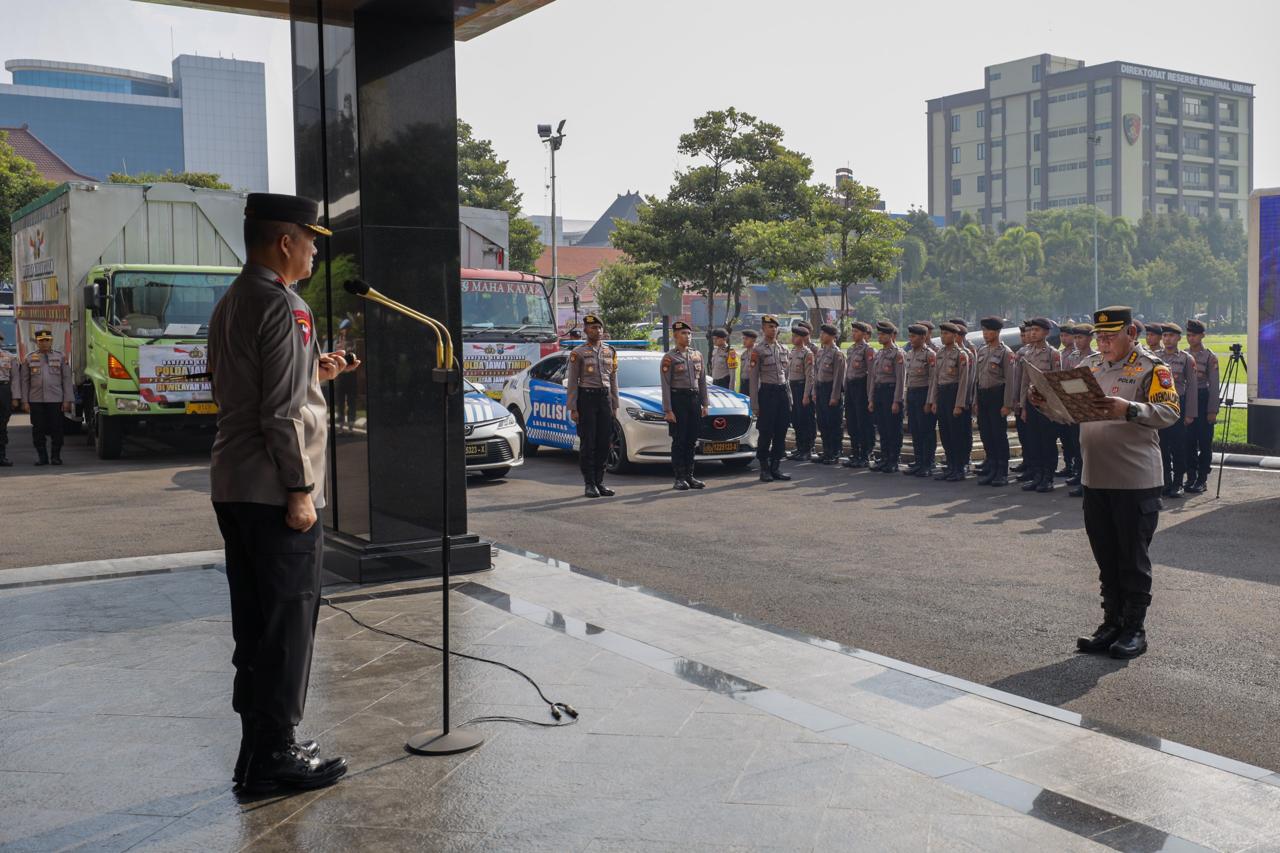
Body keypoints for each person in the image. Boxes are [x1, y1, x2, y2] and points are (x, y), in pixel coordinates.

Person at [208, 192, 355, 792]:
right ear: (285, 242)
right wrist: (300, 488)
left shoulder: (234, 300)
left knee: (256, 621)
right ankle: (277, 752)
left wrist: (312, 373)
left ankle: (258, 747)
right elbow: (280, 412)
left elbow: (249, 385)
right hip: (275, 489)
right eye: (311, 239)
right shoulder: (286, 306)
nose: (317, 250)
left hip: (236, 482)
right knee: (288, 623)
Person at [1032, 306, 1178, 660]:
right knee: (1106, 558)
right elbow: (1074, 414)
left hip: (1135, 479)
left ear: (1131, 333)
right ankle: (1111, 623)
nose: (1104, 341)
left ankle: (1133, 629)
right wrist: (1047, 405)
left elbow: (1169, 412)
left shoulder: (1152, 368)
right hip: (1095, 477)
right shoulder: (1092, 367)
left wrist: (1129, 409)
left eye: (1111, 335)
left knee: (1132, 558)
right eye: (1100, 336)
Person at [566, 314, 620, 499]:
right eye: (593, 328)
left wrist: (615, 405)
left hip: (604, 398)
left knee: (605, 442)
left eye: (599, 327)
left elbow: (613, 380)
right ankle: (589, 483)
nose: (597, 331)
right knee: (588, 443)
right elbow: (573, 382)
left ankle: (600, 482)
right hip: (586, 398)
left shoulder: (610, 351)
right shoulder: (578, 353)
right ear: (585, 331)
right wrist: (573, 407)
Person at [14, 329, 74, 466]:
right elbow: (25, 381)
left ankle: (56, 456)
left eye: (47, 340)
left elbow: (66, 380)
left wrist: (67, 400)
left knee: (56, 428)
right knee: (38, 429)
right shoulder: (29, 358)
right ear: (37, 342)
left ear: (51, 341)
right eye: (41, 341)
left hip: (56, 400)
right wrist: (24, 401)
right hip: (36, 400)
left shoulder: (60, 357)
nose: (44, 343)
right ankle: (42, 457)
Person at [661, 320, 709, 490]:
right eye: (683, 333)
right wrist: (668, 410)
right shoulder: (669, 357)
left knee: (691, 440)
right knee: (679, 440)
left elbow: (702, 381)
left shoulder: (697, 355)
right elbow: (665, 385)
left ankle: (690, 475)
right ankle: (679, 477)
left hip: (694, 400)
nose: (687, 337)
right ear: (675, 336)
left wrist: (705, 404)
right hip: (678, 400)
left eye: (689, 333)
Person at [1017, 317, 1062, 493]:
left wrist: (1054, 408)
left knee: (1047, 442)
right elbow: (1024, 382)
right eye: (1031, 330)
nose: (1033, 333)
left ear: (1046, 333)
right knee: (1034, 442)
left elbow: (1057, 382)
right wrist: (1022, 406)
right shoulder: (1027, 353)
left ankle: (1048, 478)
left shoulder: (1053, 354)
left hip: (1047, 406)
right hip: (1031, 403)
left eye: (1037, 330)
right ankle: (1037, 476)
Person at [749, 315, 792, 482]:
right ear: (763, 329)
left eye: (774, 327)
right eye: (769, 327)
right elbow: (753, 379)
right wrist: (755, 404)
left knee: (781, 432)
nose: (772, 330)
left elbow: (786, 376)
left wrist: (790, 398)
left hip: (782, 394)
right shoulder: (758, 350)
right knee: (766, 433)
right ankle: (764, 468)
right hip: (767, 394)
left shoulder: (784, 349)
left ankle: (776, 467)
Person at [1157, 323, 1197, 499]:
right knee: (1161, 446)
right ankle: (1165, 481)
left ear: (1179, 338)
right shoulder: (1154, 357)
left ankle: (1178, 483)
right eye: (1165, 336)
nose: (1167, 339)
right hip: (1159, 404)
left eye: (1171, 336)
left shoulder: (1187, 359)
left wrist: (1190, 413)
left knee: (1178, 446)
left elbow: (1192, 387)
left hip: (1177, 405)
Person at [973, 317, 1015, 486]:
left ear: (997, 332)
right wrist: (976, 400)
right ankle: (991, 467)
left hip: (997, 396)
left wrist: (1007, 404)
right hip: (983, 396)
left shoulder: (1005, 352)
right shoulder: (982, 351)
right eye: (983, 331)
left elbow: (1010, 380)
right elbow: (977, 378)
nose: (985, 334)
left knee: (998, 435)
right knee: (986, 434)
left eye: (988, 331)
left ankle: (1002, 471)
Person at [928, 322, 971, 481]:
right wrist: (934, 401)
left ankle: (959, 468)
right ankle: (951, 466)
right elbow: (935, 379)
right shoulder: (939, 353)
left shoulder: (961, 354)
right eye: (942, 333)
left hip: (954, 394)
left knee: (956, 434)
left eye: (946, 334)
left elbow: (963, 381)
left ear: (954, 336)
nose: (943, 336)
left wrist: (959, 404)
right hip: (943, 394)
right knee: (945, 433)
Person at [1184, 319, 1219, 493]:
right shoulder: (1183, 355)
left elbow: (1214, 386)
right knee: (1188, 441)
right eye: (1188, 335)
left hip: (1203, 399)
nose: (1191, 338)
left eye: (1194, 335)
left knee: (1204, 442)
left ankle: (1202, 478)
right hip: (1188, 401)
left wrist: (1212, 410)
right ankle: (1191, 476)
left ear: (1202, 336)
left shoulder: (1210, 356)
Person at [900, 324, 937, 477]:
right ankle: (919, 461)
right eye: (910, 336)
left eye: (914, 336)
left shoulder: (930, 355)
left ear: (923, 337)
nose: (911, 339)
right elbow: (908, 379)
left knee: (926, 430)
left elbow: (933, 379)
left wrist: (930, 401)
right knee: (915, 430)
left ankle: (927, 463)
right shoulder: (909, 354)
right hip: (913, 394)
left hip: (924, 394)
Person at [868, 321, 904, 473]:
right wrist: (871, 398)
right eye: (879, 334)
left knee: (892, 428)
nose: (880, 336)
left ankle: (893, 459)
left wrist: (897, 401)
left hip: (891, 393)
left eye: (883, 334)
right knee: (882, 428)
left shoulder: (897, 353)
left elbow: (901, 380)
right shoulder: (879, 354)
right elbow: (873, 378)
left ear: (891, 336)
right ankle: (884, 458)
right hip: (879, 393)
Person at [1065, 324, 1095, 496]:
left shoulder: (1096, 357)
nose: (1077, 341)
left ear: (1089, 339)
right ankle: (1080, 475)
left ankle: (1089, 482)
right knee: (1077, 443)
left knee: (1089, 445)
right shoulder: (1071, 357)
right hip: (1074, 403)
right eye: (1075, 338)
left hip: (1089, 405)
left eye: (1081, 337)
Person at [842, 321, 876, 468]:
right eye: (852, 331)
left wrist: (870, 395)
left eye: (856, 331)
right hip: (850, 387)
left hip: (861, 387)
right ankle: (855, 453)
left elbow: (871, 374)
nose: (853, 333)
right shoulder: (851, 349)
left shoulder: (867, 350)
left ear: (863, 334)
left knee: (863, 423)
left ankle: (865, 454)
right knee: (852, 422)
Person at [812, 323, 845, 463]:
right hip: (820, 389)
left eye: (824, 334)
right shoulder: (820, 352)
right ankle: (826, 451)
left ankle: (835, 452)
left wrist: (835, 396)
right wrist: (814, 391)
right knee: (822, 422)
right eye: (821, 333)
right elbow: (815, 373)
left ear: (832, 337)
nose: (821, 336)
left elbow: (838, 377)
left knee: (833, 423)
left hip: (831, 390)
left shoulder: (837, 354)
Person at [1055, 324, 1082, 486]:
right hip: (1063, 400)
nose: (1064, 339)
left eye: (1067, 336)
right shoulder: (1063, 354)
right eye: (1062, 336)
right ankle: (1069, 465)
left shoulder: (1081, 355)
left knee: (1078, 439)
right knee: (1066, 436)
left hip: (1077, 401)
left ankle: (1079, 470)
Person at [950, 318, 977, 473]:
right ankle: (954, 460)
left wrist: (968, 399)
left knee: (963, 430)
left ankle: (965, 459)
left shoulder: (968, 350)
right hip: (952, 395)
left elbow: (971, 377)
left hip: (964, 396)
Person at [785, 324, 816, 460]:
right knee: (796, 420)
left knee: (805, 420)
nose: (793, 338)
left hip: (802, 388)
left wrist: (806, 395)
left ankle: (806, 449)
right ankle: (799, 447)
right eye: (793, 335)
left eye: (796, 336)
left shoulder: (807, 353)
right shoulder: (792, 352)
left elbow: (810, 376)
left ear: (803, 338)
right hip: (792, 388)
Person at [1010, 322, 1031, 474]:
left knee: (1034, 437)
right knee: (1023, 435)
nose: (1024, 338)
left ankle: (1035, 467)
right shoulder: (1020, 352)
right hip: (1019, 397)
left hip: (1033, 399)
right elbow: (1016, 379)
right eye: (1022, 335)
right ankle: (1027, 462)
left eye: (1026, 334)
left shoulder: (1030, 353)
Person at [0, 343, 14, 467]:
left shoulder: (9, 357)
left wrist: (16, 397)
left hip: (3, 388)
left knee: (2, 424)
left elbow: (15, 378)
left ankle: (2, 456)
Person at [738, 329, 757, 395]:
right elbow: (741, 372)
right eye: (743, 339)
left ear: (753, 340)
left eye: (746, 339)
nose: (744, 341)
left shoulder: (757, 353)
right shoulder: (744, 354)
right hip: (744, 383)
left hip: (753, 384)